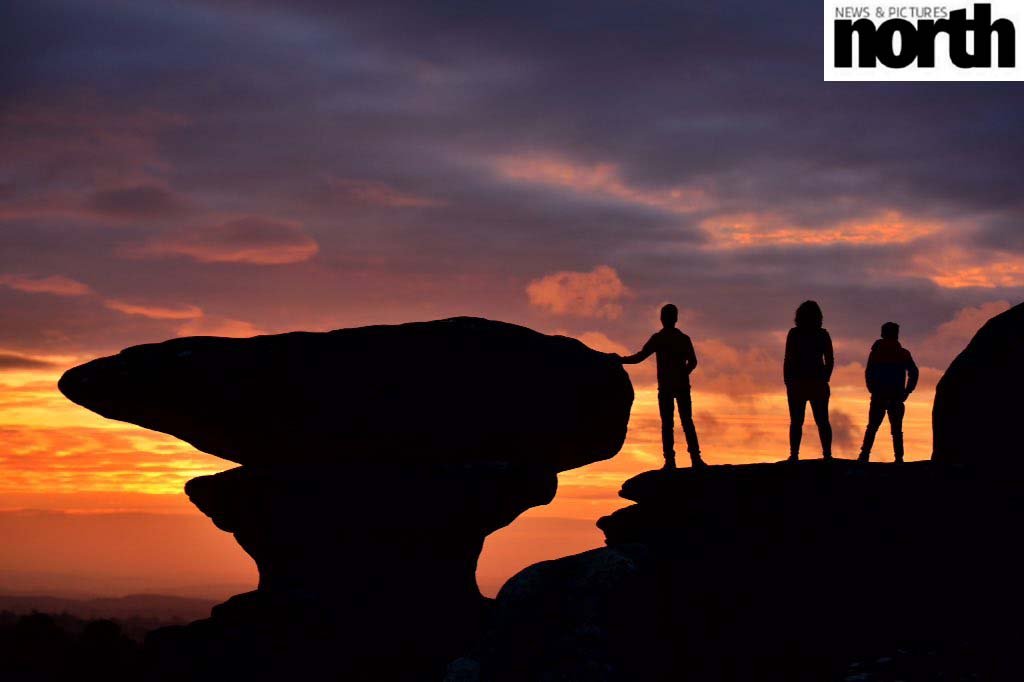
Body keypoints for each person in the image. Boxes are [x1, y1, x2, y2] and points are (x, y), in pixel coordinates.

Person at [617, 304, 704, 469]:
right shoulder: (680, 338)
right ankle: (691, 459)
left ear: (664, 318)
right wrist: (683, 373)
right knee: (684, 422)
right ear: (675, 318)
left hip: (669, 386)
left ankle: (675, 460)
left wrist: (620, 360)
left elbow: (640, 357)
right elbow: (693, 362)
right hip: (677, 386)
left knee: (670, 424)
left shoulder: (662, 338)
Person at [857, 322, 919, 463]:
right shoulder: (901, 353)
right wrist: (907, 391)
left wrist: (872, 388)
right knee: (894, 430)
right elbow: (914, 372)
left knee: (874, 427)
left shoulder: (878, 352)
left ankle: (865, 455)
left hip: (883, 395)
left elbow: (869, 372)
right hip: (892, 396)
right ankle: (897, 458)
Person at [784, 300, 834, 461]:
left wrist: (788, 381)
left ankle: (794, 455)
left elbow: (788, 359)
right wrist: (825, 378)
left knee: (798, 422)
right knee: (822, 421)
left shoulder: (794, 334)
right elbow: (830, 360)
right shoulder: (822, 334)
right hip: (813, 382)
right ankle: (826, 454)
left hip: (800, 383)